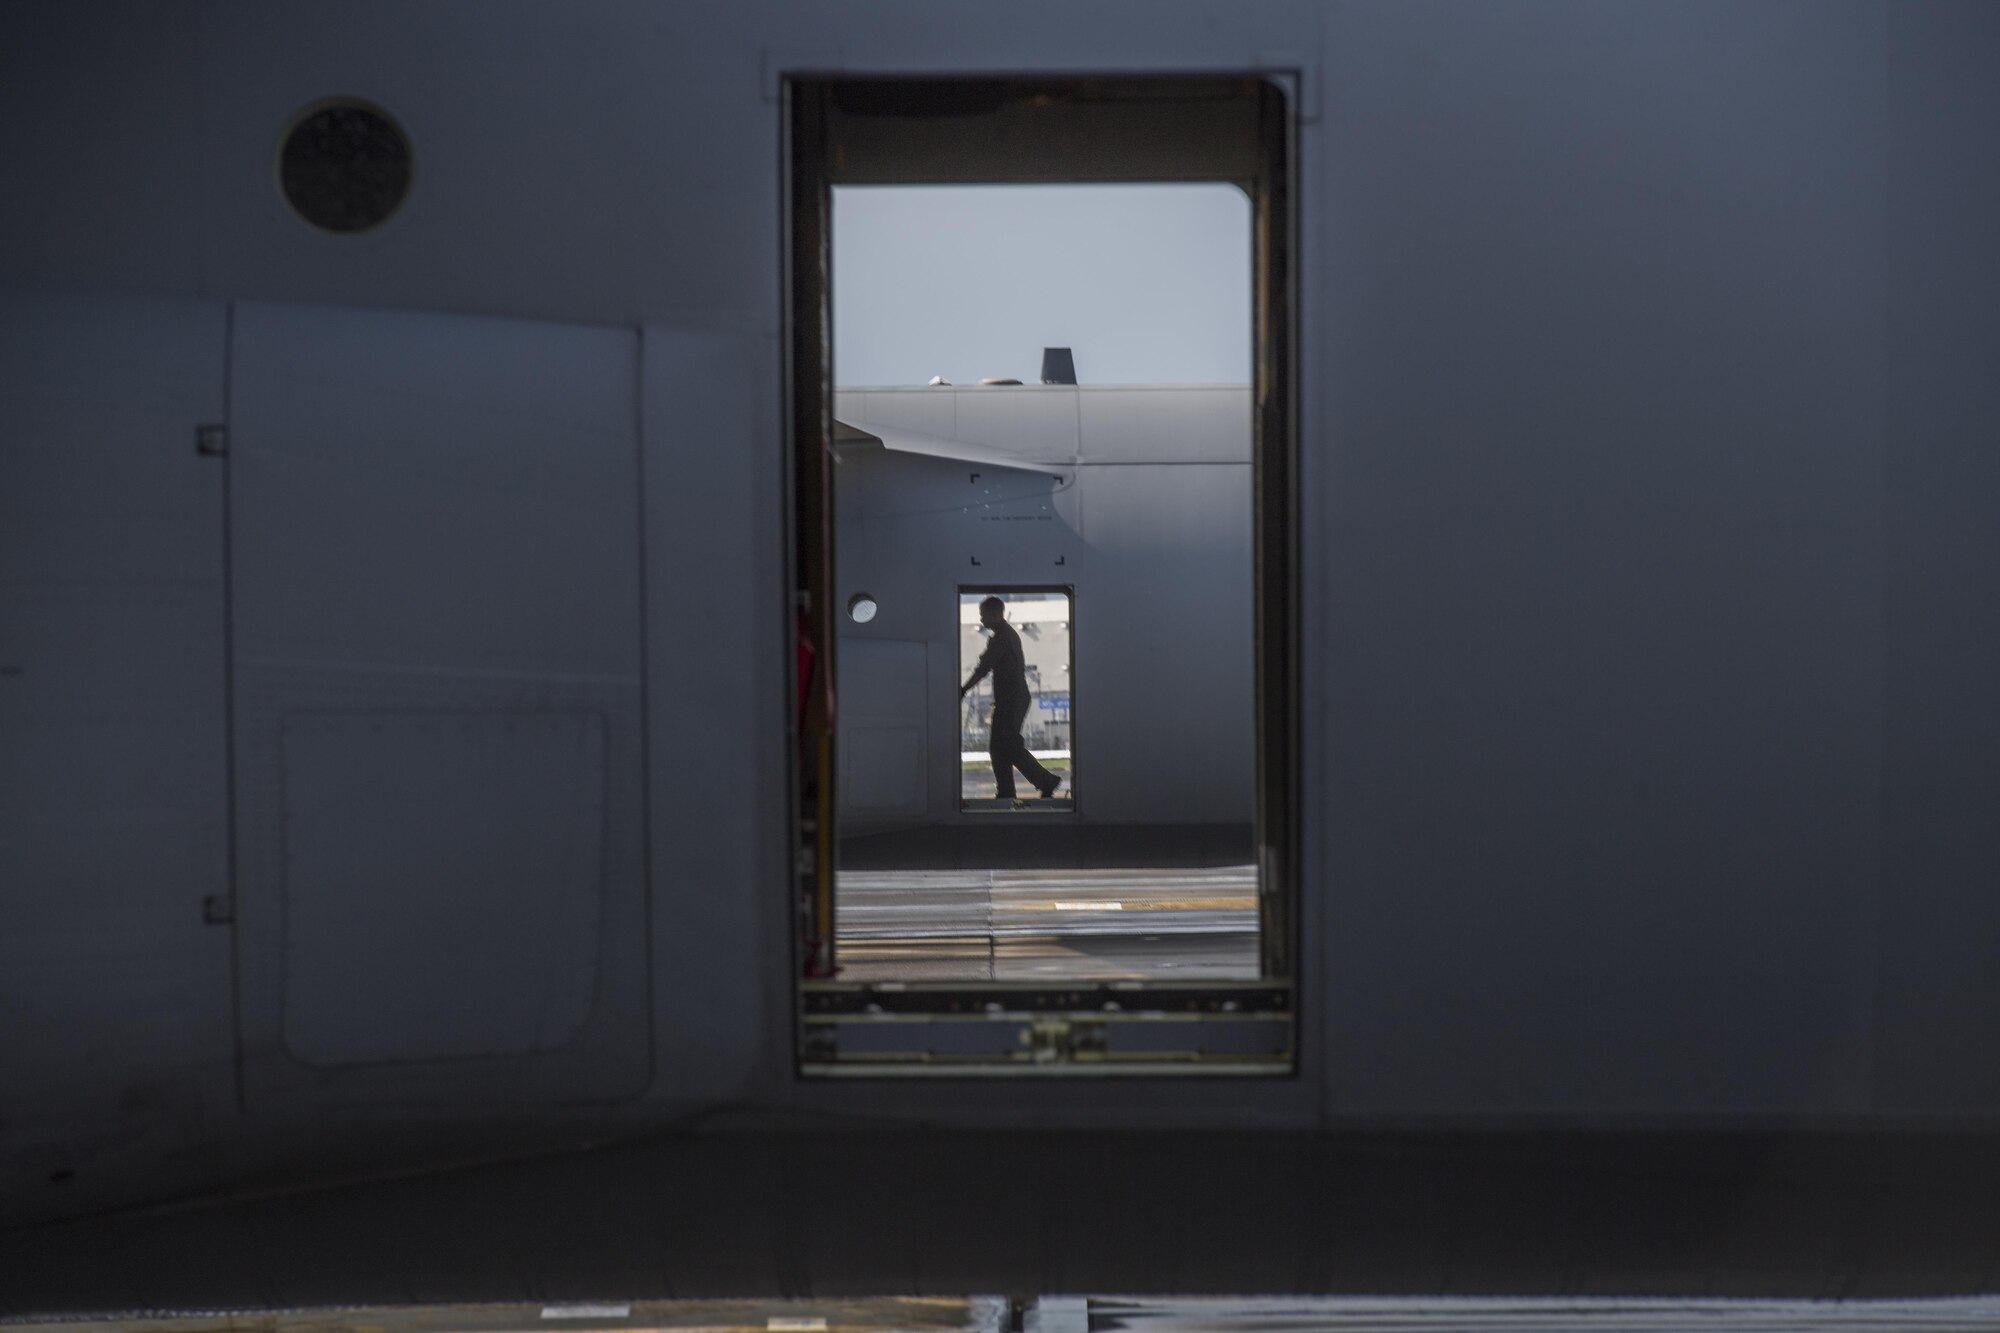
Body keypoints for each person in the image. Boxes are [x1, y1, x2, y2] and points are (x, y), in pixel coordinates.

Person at [960, 596, 1063, 805]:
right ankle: (1008, 790)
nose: (981, 620)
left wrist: (963, 689)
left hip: (1011, 699)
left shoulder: (1002, 638)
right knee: (999, 747)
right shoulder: (1004, 635)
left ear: (996, 614)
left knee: (1008, 745)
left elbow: (983, 668)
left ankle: (1045, 781)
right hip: (1011, 698)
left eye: (984, 615)